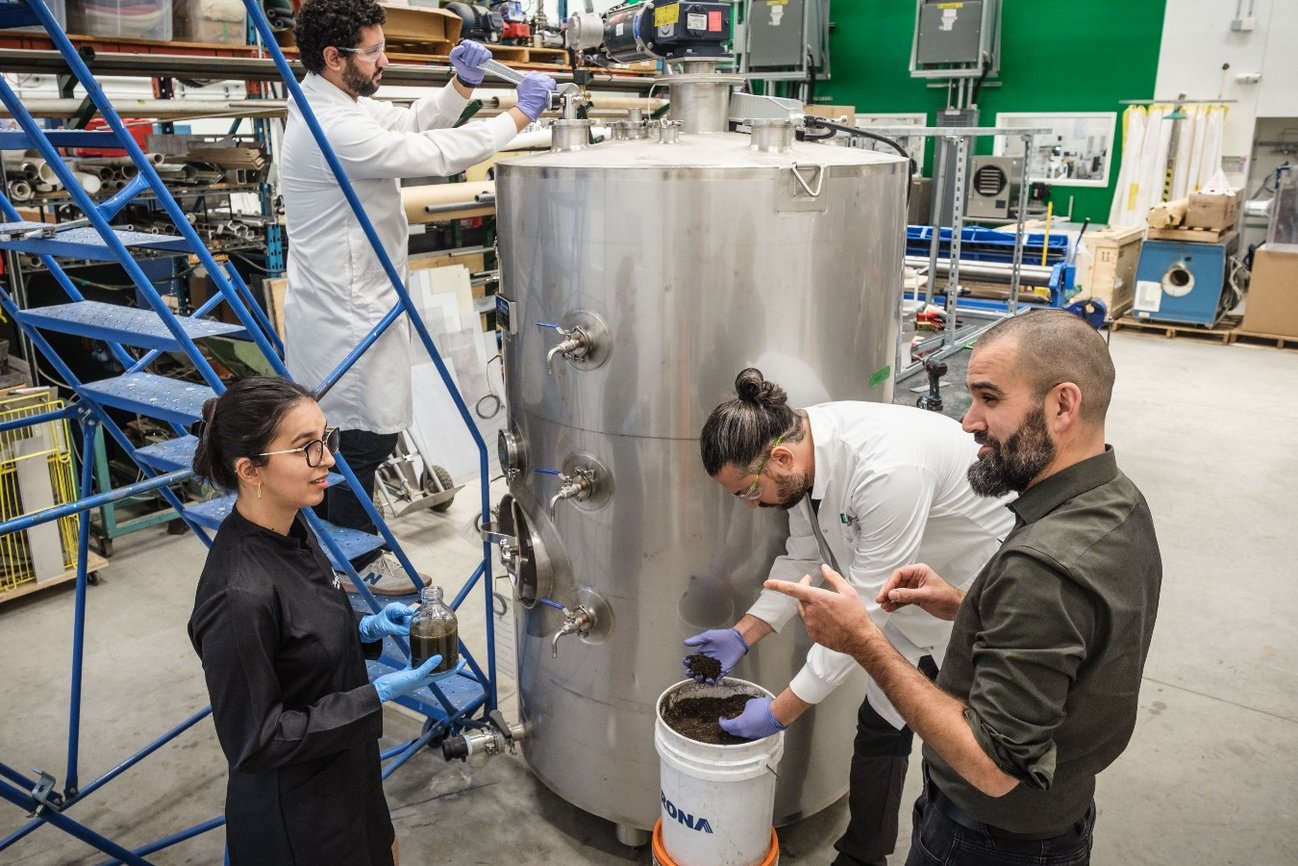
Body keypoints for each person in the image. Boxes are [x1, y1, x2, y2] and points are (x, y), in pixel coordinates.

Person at [765, 309, 1163, 866]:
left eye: (989, 398)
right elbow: (1075, 647)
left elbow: (992, 766)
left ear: (1063, 406)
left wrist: (862, 640)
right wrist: (965, 603)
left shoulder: (1042, 568)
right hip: (1059, 810)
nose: (968, 422)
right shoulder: (1116, 503)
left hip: (989, 837)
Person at [686, 368, 1014, 866]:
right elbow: (803, 556)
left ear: (779, 458)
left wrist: (779, 714)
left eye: (748, 492)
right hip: (898, 599)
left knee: (963, 755)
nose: (752, 506)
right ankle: (863, 856)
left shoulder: (887, 470)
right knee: (881, 729)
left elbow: (861, 617)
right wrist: (742, 634)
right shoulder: (802, 450)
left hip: (969, 604)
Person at [281, 0, 556, 584]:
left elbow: (403, 125)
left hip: (355, 304)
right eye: (373, 51)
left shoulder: (336, 104)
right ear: (334, 58)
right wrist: (517, 119)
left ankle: (337, 554)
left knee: (351, 439)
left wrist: (459, 87)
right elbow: (427, 154)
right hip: (345, 314)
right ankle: (357, 564)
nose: (384, 60)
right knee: (362, 441)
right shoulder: (329, 126)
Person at [188, 376, 456, 865]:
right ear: (250, 469)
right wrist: (375, 695)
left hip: (348, 780)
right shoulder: (237, 596)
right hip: (299, 821)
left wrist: (363, 630)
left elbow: (298, 637)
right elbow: (257, 740)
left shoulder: (295, 524)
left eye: (326, 439)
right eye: (306, 448)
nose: (329, 459)